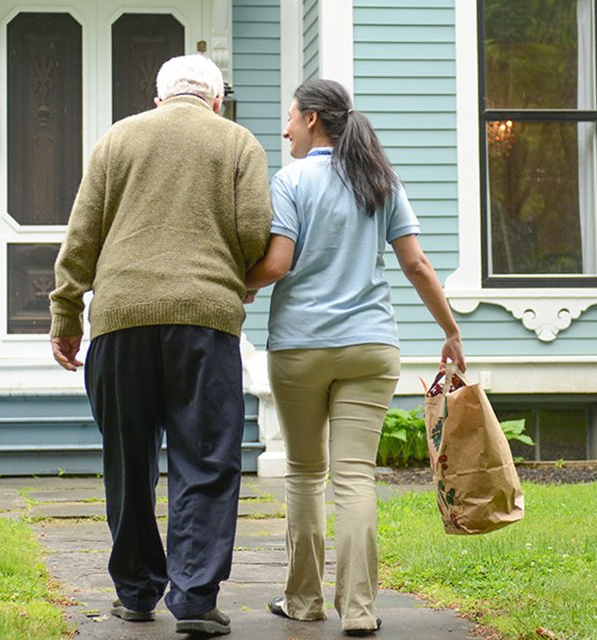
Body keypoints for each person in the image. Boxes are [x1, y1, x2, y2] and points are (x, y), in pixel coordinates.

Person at [48, 53, 269, 637]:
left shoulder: (117, 140)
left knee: (128, 459)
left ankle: (137, 593)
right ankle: (195, 598)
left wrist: (66, 312)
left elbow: (83, 234)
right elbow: (254, 230)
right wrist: (225, 275)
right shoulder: (238, 143)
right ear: (215, 100)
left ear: (159, 97)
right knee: (206, 459)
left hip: (120, 323)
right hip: (205, 324)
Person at [243, 78, 466, 637]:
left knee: (303, 472)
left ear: (314, 118)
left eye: (291, 116)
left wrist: (234, 286)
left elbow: (275, 266)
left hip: (299, 346)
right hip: (370, 346)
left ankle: (304, 602)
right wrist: (451, 331)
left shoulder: (291, 180)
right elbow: (416, 265)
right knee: (355, 478)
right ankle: (361, 612)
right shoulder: (379, 179)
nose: (285, 127)